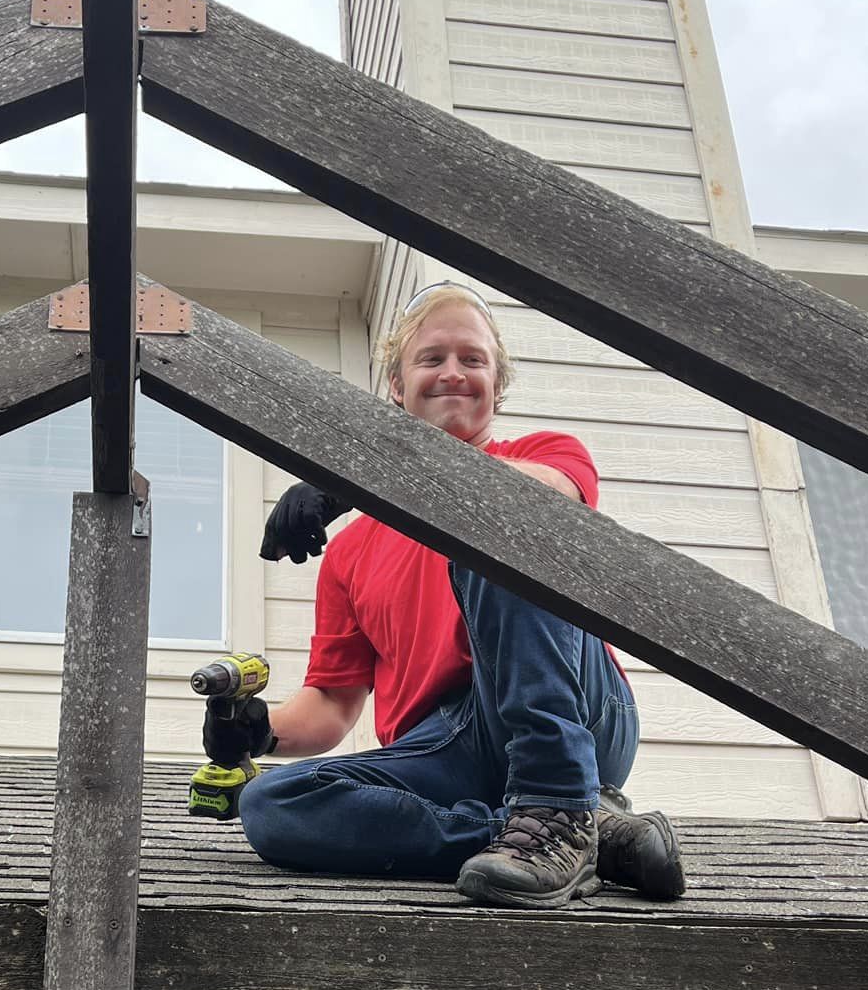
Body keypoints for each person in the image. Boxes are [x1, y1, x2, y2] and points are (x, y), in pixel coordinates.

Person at [203, 282, 684, 909]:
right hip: (443, 752)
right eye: (432, 359)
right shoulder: (349, 553)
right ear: (397, 387)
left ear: (496, 385)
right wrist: (260, 733)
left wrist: (362, 470)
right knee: (272, 805)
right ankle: (573, 835)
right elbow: (333, 704)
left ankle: (560, 802)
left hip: (578, 714)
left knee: (492, 520)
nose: (453, 373)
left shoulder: (547, 454)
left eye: (472, 359)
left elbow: (537, 497)